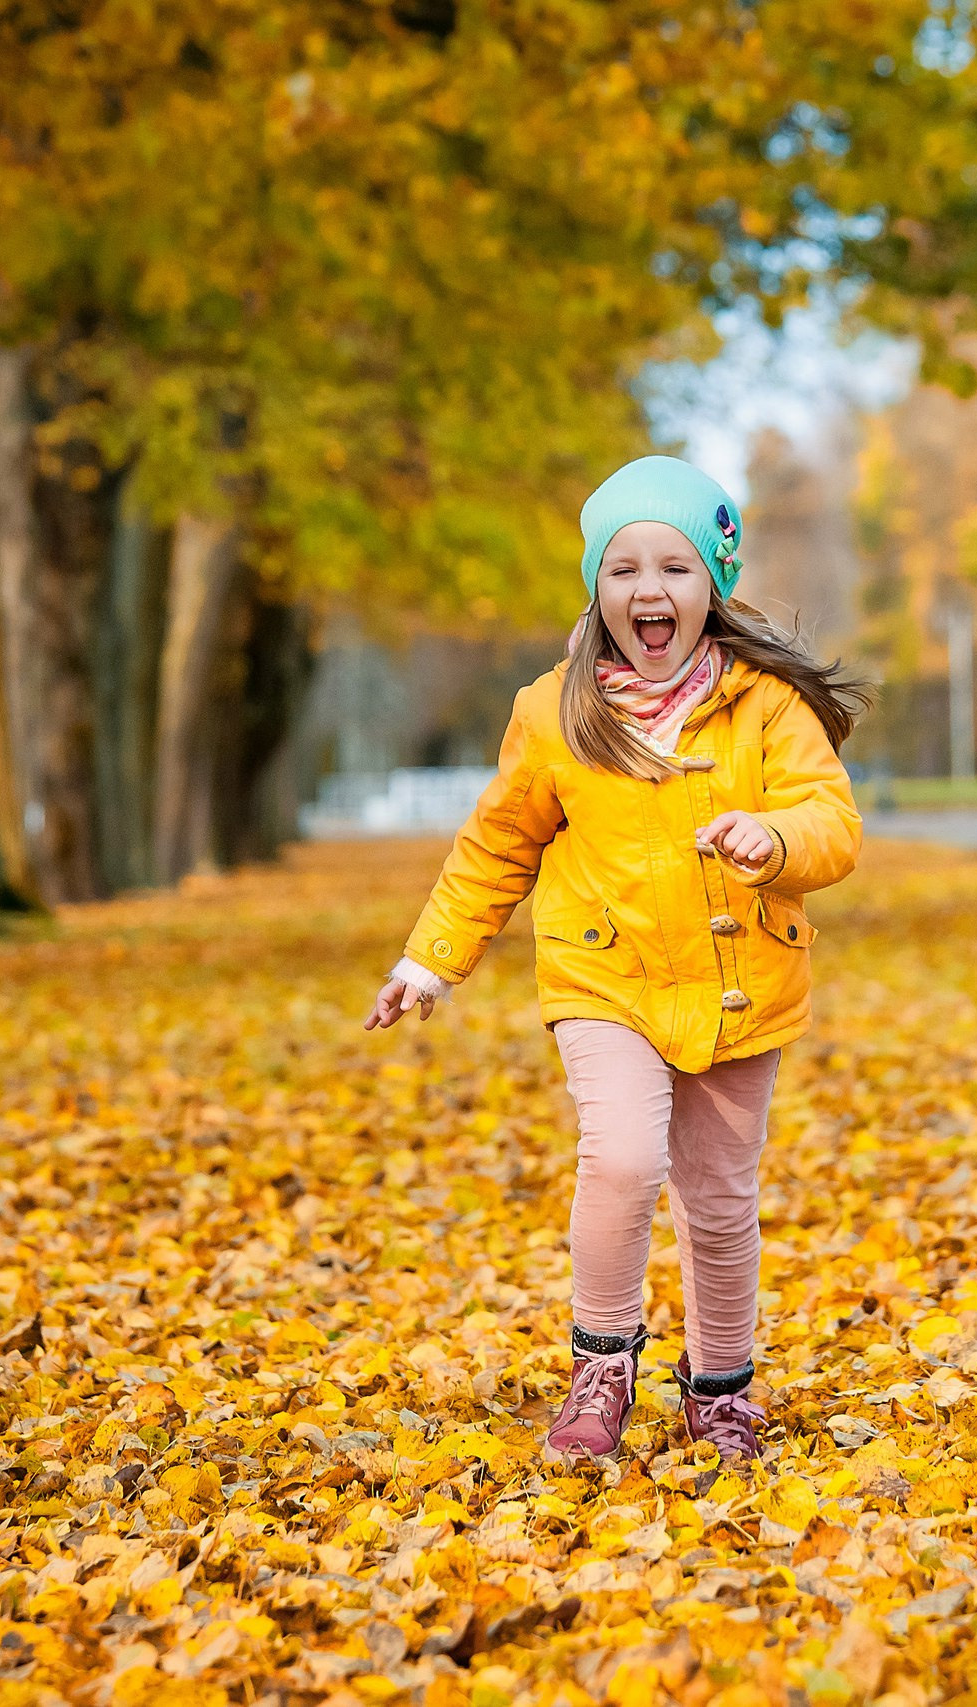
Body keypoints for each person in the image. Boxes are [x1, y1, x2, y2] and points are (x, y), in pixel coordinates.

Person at [364, 455, 867, 1467]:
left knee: (719, 1202)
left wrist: (776, 843)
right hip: (604, 978)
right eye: (626, 568)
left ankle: (720, 1388)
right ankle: (602, 1365)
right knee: (623, 1160)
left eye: (676, 569)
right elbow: (498, 844)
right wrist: (431, 962)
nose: (651, 590)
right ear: (597, 585)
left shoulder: (767, 707)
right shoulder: (552, 713)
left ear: (709, 589)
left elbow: (832, 821)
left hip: (738, 987)